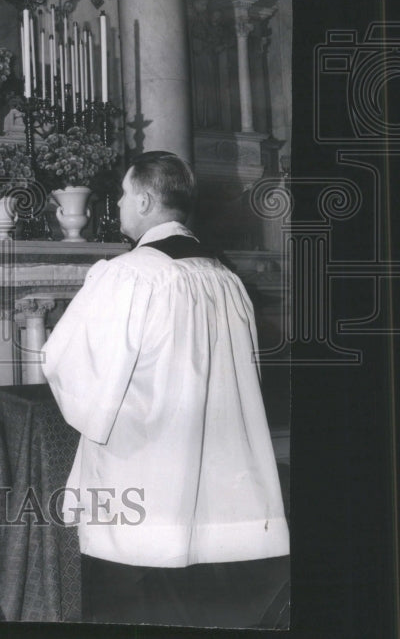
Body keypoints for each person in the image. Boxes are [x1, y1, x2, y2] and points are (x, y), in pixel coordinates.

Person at [41, 151, 289, 627]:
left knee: (133, 606)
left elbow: (68, 360)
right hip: (216, 478)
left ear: (146, 199)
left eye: (122, 195)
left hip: (143, 477)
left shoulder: (130, 275)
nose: (116, 205)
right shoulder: (226, 279)